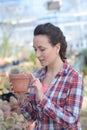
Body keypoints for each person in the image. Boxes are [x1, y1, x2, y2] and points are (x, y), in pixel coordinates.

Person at [11, 23, 84, 130]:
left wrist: (42, 99)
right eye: (35, 49)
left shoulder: (73, 78)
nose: (37, 55)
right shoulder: (37, 76)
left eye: (42, 49)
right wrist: (22, 98)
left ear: (57, 48)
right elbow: (33, 117)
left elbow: (71, 121)